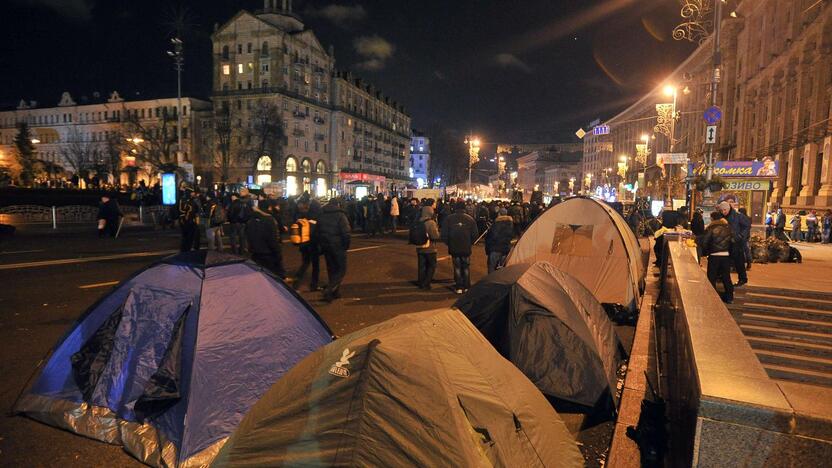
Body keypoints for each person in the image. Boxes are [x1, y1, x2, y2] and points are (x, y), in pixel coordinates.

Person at [317, 198, 351, 302]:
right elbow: (346, 233)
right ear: (338, 205)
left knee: (331, 269)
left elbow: (317, 230)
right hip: (338, 245)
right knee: (341, 270)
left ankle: (335, 292)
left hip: (326, 245)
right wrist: (346, 245)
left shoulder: (322, 214)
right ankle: (329, 289)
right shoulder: (341, 215)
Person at [441, 202, 479, 294]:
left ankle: (458, 287)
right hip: (466, 246)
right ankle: (466, 286)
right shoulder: (470, 219)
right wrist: (470, 243)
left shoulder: (449, 219)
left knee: (457, 267)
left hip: (454, 246)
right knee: (466, 267)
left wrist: (449, 243)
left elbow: (444, 235)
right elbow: (475, 234)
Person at [700, 210, 735, 304]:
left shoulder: (711, 228)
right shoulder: (728, 228)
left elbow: (704, 242)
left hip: (714, 256)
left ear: (712, 218)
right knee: (726, 277)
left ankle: (712, 297)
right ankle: (729, 297)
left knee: (712, 277)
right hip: (725, 256)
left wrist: (706, 252)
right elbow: (733, 241)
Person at [246, 203, 285, 278]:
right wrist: (277, 252)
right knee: (272, 276)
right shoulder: (269, 220)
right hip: (268, 254)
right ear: (269, 208)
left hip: (255, 253)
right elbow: (272, 239)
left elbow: (249, 238)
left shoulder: (250, 221)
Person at [290, 200, 320, 291]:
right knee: (315, 266)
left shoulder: (302, 216)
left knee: (305, 263)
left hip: (303, 245)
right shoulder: (316, 218)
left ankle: (296, 282)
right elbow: (317, 233)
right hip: (313, 245)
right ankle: (314, 285)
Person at [412, 203, 441, 289]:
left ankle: (421, 282)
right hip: (430, 248)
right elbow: (435, 236)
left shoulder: (418, 221)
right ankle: (426, 283)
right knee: (431, 265)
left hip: (420, 246)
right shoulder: (430, 223)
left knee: (422, 266)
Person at [720, 201, 749, 287]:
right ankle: (723, 278)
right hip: (727, 242)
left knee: (739, 261)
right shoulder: (721, 216)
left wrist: (740, 236)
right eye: (721, 210)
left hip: (737, 242)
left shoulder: (738, 215)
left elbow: (746, 226)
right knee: (725, 261)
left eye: (724, 210)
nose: (723, 212)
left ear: (728, 208)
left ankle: (742, 279)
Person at [485, 208, 514, 273]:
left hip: (495, 248)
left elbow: (492, 236)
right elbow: (512, 235)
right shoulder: (510, 223)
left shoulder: (496, 224)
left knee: (491, 266)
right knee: (503, 268)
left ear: (499, 214)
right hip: (506, 248)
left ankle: (491, 280)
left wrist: (488, 248)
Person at [227, 189, 251, 255]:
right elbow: (248, 213)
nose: (231, 198)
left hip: (234, 223)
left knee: (233, 237)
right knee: (242, 237)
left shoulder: (233, 204)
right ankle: (242, 251)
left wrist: (230, 219)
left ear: (234, 197)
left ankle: (235, 251)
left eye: (232, 196)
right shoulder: (243, 203)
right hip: (242, 222)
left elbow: (230, 214)